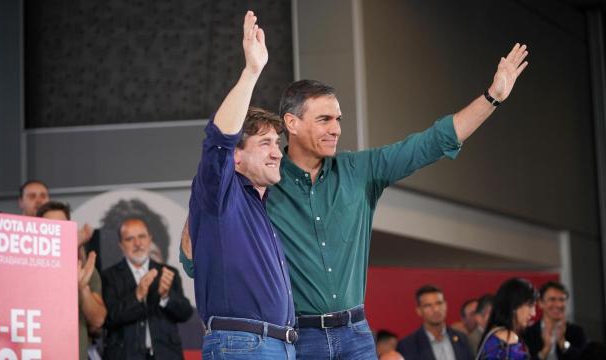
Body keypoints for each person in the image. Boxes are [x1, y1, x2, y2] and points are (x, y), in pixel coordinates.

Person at [180, 24, 529, 358]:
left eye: (339, 119)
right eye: (324, 120)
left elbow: (432, 142)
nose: (336, 129)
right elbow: (207, 212)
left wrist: (492, 97)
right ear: (292, 123)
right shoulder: (265, 179)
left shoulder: (360, 171)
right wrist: (199, 258)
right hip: (296, 339)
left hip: (356, 335)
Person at [187, 11, 296, 359]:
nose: (277, 153)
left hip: (277, 345)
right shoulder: (221, 194)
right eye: (265, 144)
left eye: (277, 145)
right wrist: (251, 73)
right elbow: (219, 139)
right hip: (243, 345)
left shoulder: (260, 206)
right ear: (236, 157)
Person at [101, 218, 192, 359]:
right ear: (121, 245)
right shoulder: (109, 276)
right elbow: (108, 319)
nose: (137, 243)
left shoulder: (168, 272)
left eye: (142, 236)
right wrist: (137, 296)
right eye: (130, 239)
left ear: (150, 239)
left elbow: (185, 313)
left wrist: (166, 296)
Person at [36, 201, 107, 360]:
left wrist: (83, 289)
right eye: (50, 228)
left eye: (61, 228)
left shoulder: (85, 269)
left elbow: (98, 320)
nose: (56, 233)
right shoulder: (24, 268)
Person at [397, 285, 473, 360]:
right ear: (419, 311)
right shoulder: (408, 345)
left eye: (439, 303)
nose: (436, 309)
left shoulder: (461, 339)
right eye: (428, 305)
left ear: (445, 305)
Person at [522, 281, 586, 360]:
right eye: (552, 299)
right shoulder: (528, 333)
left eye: (562, 299)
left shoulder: (576, 331)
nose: (558, 305)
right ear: (541, 303)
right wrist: (545, 350)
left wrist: (563, 343)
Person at [476, 278, 537, 360]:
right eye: (530, 305)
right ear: (515, 305)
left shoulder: (494, 334)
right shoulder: (508, 338)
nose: (533, 313)